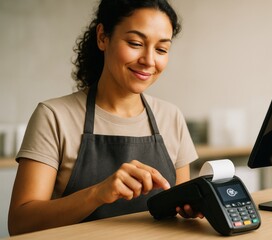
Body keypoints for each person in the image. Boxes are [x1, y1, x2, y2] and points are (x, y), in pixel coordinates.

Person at [8, 0, 203, 236]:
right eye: (135, 43)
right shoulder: (53, 116)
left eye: (161, 49)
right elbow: (19, 222)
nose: (149, 60)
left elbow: (181, 208)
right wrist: (98, 193)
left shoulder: (171, 117)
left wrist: (194, 207)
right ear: (102, 37)